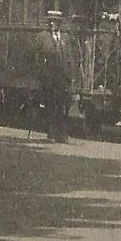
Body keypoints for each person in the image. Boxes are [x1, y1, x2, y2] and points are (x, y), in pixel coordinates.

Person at [33, 9, 79, 143]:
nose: (53, 24)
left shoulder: (64, 38)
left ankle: (62, 134)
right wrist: (41, 71)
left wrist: (71, 75)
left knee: (63, 107)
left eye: (56, 22)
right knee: (51, 106)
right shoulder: (42, 37)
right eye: (51, 21)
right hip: (50, 78)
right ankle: (51, 134)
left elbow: (70, 57)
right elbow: (35, 56)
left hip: (63, 79)